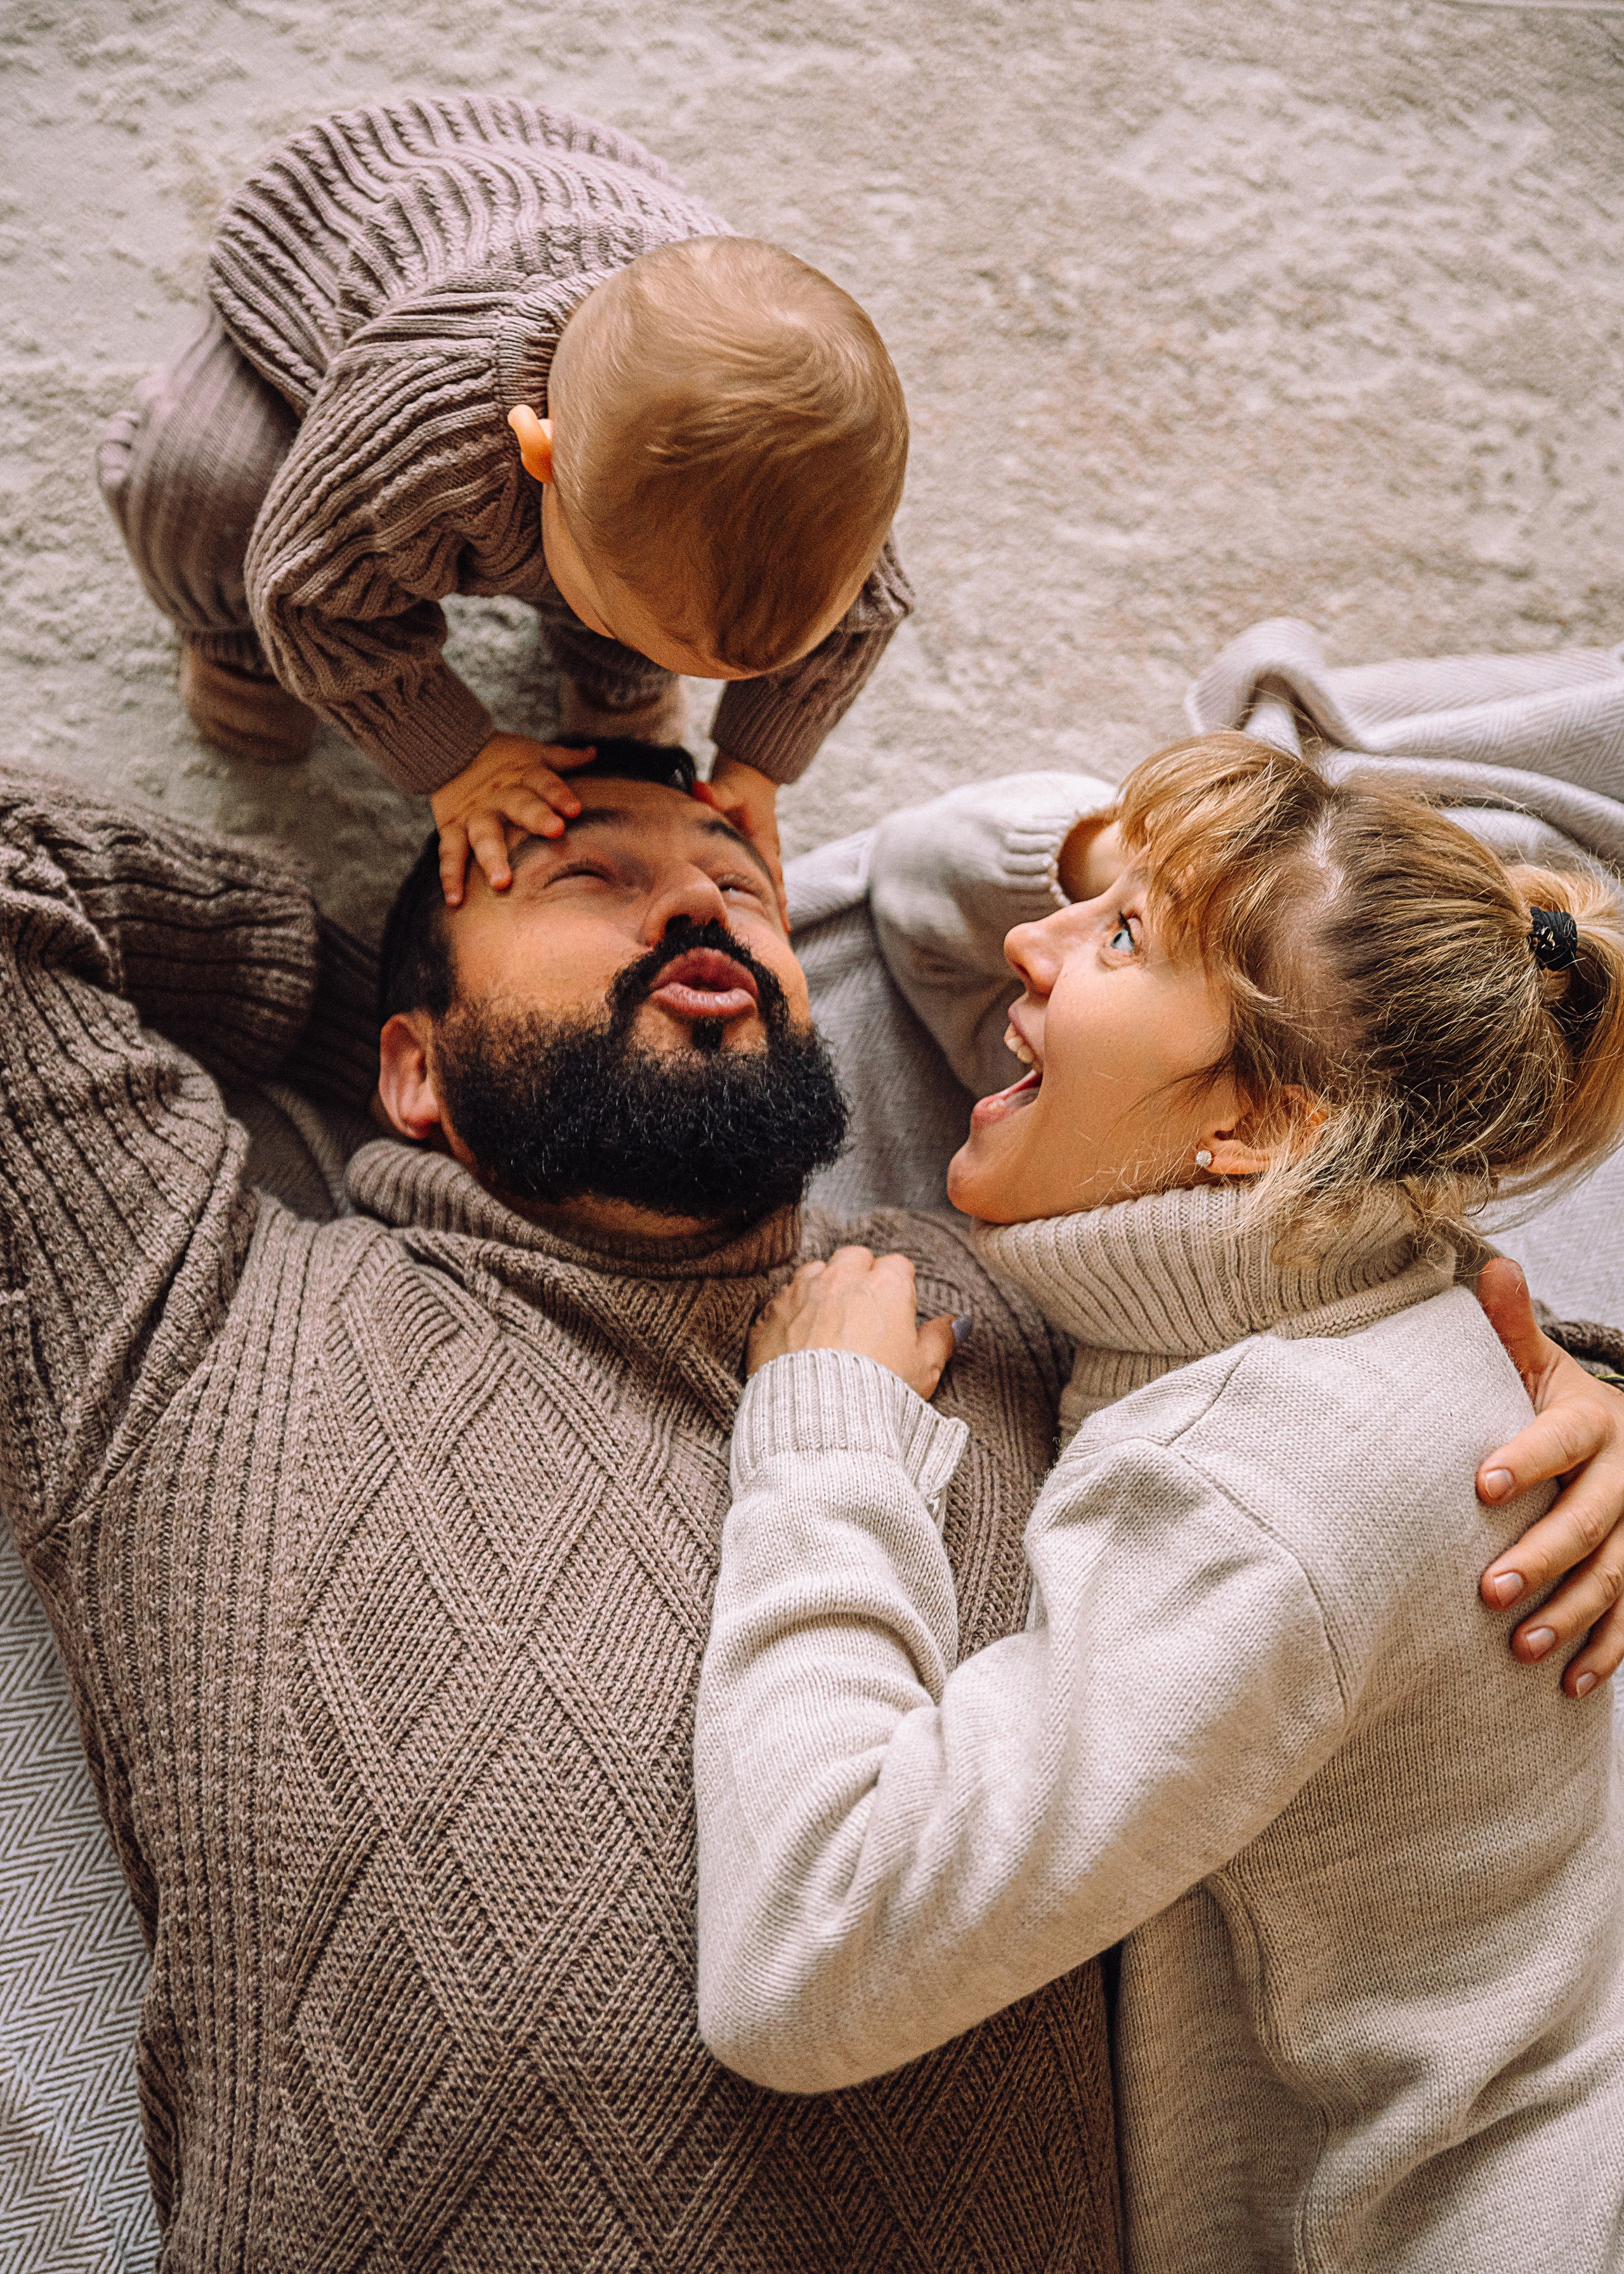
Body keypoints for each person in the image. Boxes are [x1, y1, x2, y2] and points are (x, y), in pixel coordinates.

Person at [1, 740, 1616, 2270]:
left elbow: (1355, 1318)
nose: (696, 907)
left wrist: (1580, 1399)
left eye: (743, 884)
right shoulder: (197, 1312)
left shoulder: (1029, 1295)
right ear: (409, 1066)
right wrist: (373, 971)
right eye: (583, 875)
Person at [694, 734, 1624, 2272]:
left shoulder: (1253, 1486)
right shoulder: (1382, 1288)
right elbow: (923, 885)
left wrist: (827, 1442)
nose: (1027, 945)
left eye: (1119, 937)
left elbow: (808, 1956)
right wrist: (1167, 877)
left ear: (1256, 1128)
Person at [96, 93, 912, 902]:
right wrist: (457, 757)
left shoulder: (816, 483)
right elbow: (308, 591)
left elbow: (858, 622)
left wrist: (753, 762)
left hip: (595, 211)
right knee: (205, 492)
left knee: (656, 577)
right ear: (538, 453)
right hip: (317, 255)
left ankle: (614, 667)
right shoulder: (437, 431)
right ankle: (233, 646)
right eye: (610, 620)